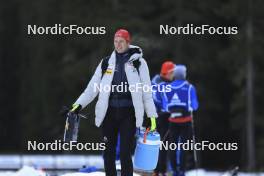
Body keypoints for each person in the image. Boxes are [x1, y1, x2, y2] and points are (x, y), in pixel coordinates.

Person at [69, 29, 158, 176]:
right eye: (116, 41)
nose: (118, 45)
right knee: (108, 153)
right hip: (108, 114)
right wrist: (78, 105)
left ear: (128, 42)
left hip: (129, 114)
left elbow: (147, 93)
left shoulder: (139, 63)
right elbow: (92, 88)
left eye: (121, 41)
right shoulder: (106, 63)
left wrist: (152, 116)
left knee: (124, 154)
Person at [160, 64, 199, 176]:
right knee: (183, 147)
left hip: (173, 122)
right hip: (186, 121)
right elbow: (195, 106)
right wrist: (189, 106)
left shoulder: (168, 88)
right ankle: (181, 171)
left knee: (173, 146)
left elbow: (165, 106)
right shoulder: (189, 87)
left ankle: (174, 171)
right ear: (184, 75)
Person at [152, 61, 175, 176]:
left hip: (162, 116)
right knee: (162, 144)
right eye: (172, 72)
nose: (173, 75)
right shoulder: (158, 82)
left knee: (163, 144)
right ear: (167, 72)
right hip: (161, 117)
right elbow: (158, 99)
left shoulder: (166, 82)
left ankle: (161, 170)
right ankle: (159, 171)